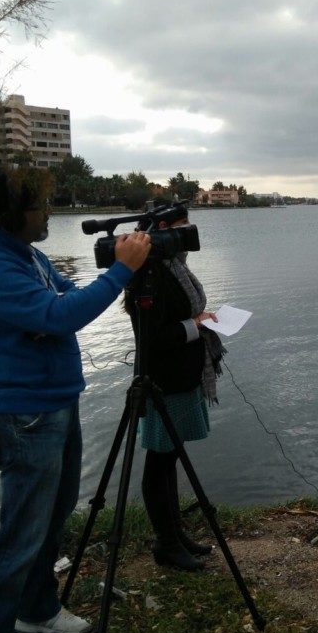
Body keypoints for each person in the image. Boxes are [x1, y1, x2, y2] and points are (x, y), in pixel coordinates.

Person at [0, 166, 151, 633]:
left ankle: (36, 609)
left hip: (54, 405)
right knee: (17, 540)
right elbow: (63, 315)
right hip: (21, 418)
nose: (48, 214)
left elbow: (63, 303)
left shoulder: (24, 256)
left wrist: (56, 315)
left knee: (53, 518)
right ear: (13, 215)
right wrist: (122, 272)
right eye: (40, 207)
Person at [124, 201, 225, 572]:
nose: (188, 235)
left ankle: (175, 533)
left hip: (184, 373)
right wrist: (195, 326)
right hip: (163, 380)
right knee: (160, 459)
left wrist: (200, 320)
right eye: (182, 228)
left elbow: (181, 316)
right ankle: (165, 542)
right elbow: (151, 334)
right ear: (163, 229)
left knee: (171, 457)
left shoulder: (173, 267)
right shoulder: (148, 274)